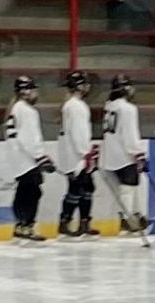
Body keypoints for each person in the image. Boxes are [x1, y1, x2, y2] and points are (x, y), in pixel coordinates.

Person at [5, 75, 55, 242]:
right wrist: (40, 157)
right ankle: (26, 225)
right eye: (33, 90)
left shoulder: (16, 108)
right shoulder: (27, 111)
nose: (36, 93)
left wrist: (41, 156)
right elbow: (29, 139)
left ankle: (21, 224)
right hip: (27, 159)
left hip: (18, 158)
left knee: (24, 191)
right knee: (33, 192)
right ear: (26, 92)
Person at [100, 73, 149, 234]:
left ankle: (136, 216)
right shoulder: (128, 109)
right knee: (128, 187)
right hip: (124, 155)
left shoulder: (109, 106)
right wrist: (138, 152)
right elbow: (130, 133)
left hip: (110, 153)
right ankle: (128, 220)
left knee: (130, 187)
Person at [57, 70, 100, 237]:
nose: (88, 87)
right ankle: (65, 221)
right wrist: (86, 153)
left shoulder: (71, 105)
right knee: (76, 188)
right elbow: (78, 133)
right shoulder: (76, 106)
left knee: (87, 186)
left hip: (74, 154)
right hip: (77, 156)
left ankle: (84, 222)